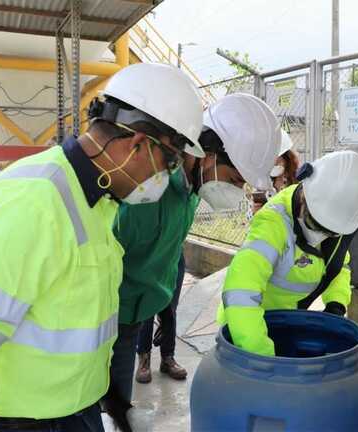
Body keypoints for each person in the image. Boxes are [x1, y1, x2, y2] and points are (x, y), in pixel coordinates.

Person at [0, 63, 205, 432]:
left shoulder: (97, 200)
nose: (168, 175)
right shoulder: (33, 201)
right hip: (26, 423)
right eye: (170, 161)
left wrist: (107, 394)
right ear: (137, 144)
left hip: (77, 411)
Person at [102, 93, 281, 430]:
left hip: (133, 316)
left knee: (118, 408)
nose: (235, 190)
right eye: (234, 179)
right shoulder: (146, 190)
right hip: (104, 317)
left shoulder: (190, 191)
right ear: (208, 156)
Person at [219, 150, 358, 356]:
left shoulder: (337, 225)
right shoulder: (272, 224)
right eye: (314, 224)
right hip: (244, 330)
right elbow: (241, 291)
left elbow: (339, 264)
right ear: (304, 197)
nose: (320, 235)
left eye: (328, 232)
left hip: (288, 323)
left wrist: (336, 304)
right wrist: (263, 359)